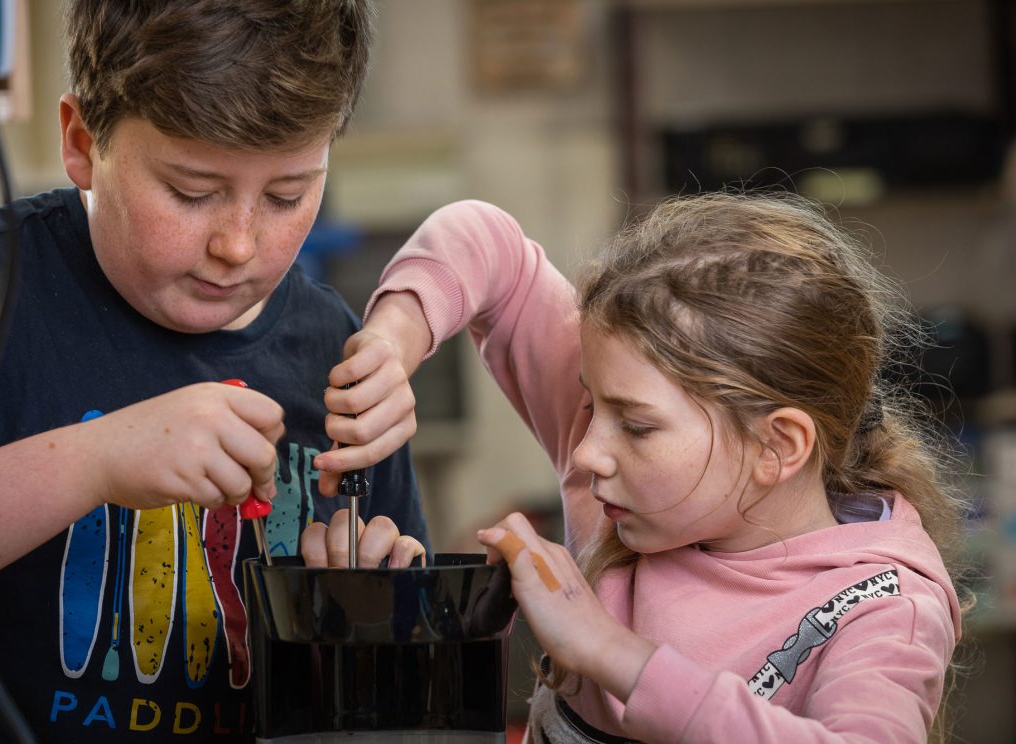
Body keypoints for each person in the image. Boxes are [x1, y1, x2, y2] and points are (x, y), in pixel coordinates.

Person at [0, 1, 428, 741]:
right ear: (83, 141)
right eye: (192, 192)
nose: (238, 246)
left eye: (288, 194)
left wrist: (375, 627)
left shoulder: (339, 354)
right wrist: (91, 461)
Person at [357, 193, 967, 741]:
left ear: (778, 445)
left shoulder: (887, 609)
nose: (587, 451)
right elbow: (485, 241)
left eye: (638, 425)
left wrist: (608, 651)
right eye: (590, 404)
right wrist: (389, 345)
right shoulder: (627, 492)